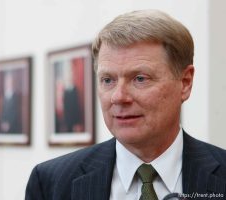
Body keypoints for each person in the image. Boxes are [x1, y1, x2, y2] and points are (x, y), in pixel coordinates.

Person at [25, 10, 226, 200]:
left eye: (139, 78)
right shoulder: (51, 182)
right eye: (107, 80)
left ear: (185, 82)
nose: (118, 97)